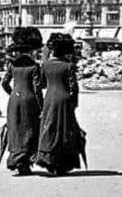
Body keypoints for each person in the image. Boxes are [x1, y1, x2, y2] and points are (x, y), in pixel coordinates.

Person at [35, 33, 86, 176]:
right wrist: (74, 103)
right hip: (64, 99)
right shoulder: (68, 66)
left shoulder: (45, 65)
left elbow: (40, 84)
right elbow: (73, 87)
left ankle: (49, 160)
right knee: (65, 128)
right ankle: (64, 162)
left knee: (49, 127)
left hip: (49, 98)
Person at [0, 27, 45, 176]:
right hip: (30, 100)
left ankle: (16, 158)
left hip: (14, 100)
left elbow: (4, 83)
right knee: (29, 129)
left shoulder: (12, 65)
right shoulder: (34, 66)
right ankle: (26, 160)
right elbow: (37, 88)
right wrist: (42, 105)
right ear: (31, 51)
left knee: (15, 129)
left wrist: (12, 93)